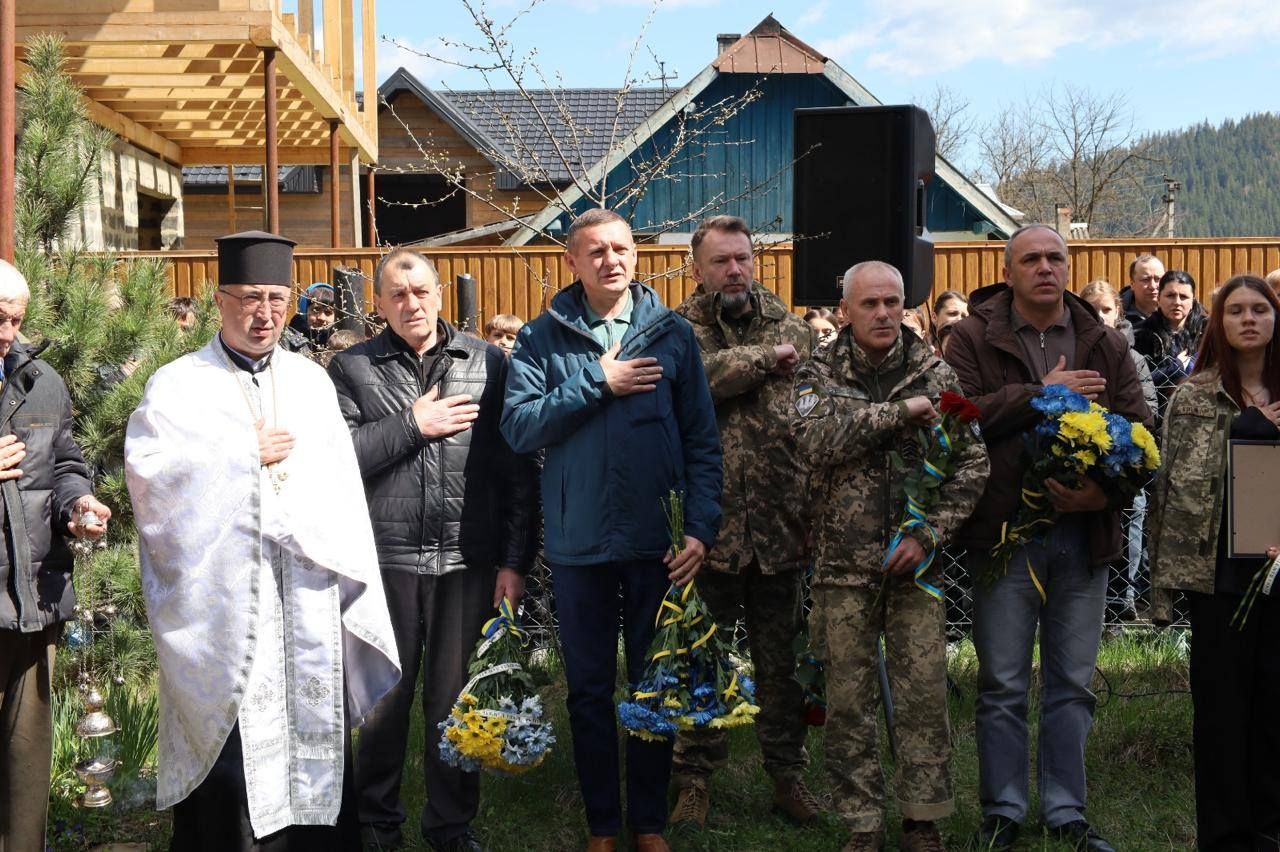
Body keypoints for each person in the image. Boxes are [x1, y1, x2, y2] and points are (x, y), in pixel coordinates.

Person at [124, 231, 401, 852]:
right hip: (226, 604)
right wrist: (238, 455)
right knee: (235, 763)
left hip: (304, 592)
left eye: (278, 298)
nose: (266, 313)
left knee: (315, 736)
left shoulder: (310, 382)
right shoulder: (178, 385)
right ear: (221, 300)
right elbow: (149, 477)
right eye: (250, 298)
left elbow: (339, 489)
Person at [501, 208, 722, 852]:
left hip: (659, 545)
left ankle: (648, 822)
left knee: (653, 684)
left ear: (637, 255)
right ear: (572, 261)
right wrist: (598, 380)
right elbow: (520, 427)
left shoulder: (671, 335)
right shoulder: (542, 338)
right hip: (578, 546)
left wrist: (700, 530)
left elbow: (703, 444)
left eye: (621, 248)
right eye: (594, 250)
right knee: (591, 689)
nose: (610, 260)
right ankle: (603, 823)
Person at [945, 224, 1150, 852]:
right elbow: (958, 415)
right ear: (1008, 271)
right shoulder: (972, 336)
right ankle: (1002, 811)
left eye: (1054, 257)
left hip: (1083, 538)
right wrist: (1041, 395)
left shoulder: (1104, 342)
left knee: (1072, 682)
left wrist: (1102, 495)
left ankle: (1066, 811)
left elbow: (1142, 434)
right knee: (1003, 681)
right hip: (1004, 537)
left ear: (1068, 266)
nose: (1044, 267)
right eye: (1030, 258)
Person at [330, 249, 539, 852]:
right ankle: (375, 823)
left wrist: (513, 561)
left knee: (454, 703)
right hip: (384, 561)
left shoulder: (488, 363)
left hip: (466, 561)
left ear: (440, 293)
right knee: (382, 702)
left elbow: (515, 471)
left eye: (420, 291)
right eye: (397, 294)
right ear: (379, 302)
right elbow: (337, 458)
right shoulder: (351, 368)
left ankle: (451, 826)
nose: (410, 303)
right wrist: (411, 425)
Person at [792, 260, 988, 852]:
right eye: (870, 304)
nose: (883, 314)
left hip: (914, 570)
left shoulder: (936, 369)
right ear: (845, 310)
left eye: (892, 302)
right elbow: (813, 441)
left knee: (923, 696)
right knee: (849, 701)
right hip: (840, 570)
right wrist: (898, 414)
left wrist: (928, 534)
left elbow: (971, 464)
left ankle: (921, 820)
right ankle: (862, 822)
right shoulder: (815, 372)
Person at [667, 215, 818, 830]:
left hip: (782, 529)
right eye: (721, 261)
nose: (734, 270)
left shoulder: (795, 330)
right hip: (710, 531)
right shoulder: (678, 331)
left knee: (781, 664)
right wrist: (760, 360)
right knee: (702, 658)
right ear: (698, 269)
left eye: (743, 259)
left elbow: (818, 414)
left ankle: (787, 777)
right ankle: (694, 779)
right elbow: (692, 389)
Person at [1149, 274, 1280, 852]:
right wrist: (1251, 431)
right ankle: (1227, 839)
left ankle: (1272, 830)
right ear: (1219, 324)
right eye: (1236, 311)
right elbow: (1172, 489)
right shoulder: (1193, 396)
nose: (1249, 319)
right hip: (1218, 579)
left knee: (1277, 713)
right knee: (1223, 717)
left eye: (1260, 309)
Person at [0, 260, 112, 851]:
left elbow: (64, 461)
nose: (8, 332)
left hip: (30, 595)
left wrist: (78, 504)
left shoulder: (42, 379)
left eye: (16, 319)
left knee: (25, 766)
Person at [1079, 279, 1158, 621]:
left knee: (1131, 523)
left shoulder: (1132, 356)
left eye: (1106, 309)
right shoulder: (1073, 351)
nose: (1099, 316)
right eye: (1091, 309)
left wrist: (1112, 431)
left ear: (1118, 313)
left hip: (1120, 458)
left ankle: (1120, 602)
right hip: (1078, 459)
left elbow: (1147, 409)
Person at [1134, 270, 1207, 425]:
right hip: (1158, 416)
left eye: (1184, 297)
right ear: (1159, 299)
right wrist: (1175, 368)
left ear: (1193, 301)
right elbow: (1138, 382)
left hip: (1202, 413)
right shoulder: (1142, 335)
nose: (1177, 302)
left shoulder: (1207, 334)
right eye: (1170, 296)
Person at [1121, 254, 1165, 327]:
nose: (1152, 286)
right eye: (1146, 280)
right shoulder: (1117, 315)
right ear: (1132, 284)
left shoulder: (1176, 311)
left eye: (1158, 279)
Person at [288, 282, 337, 348]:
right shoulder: (289, 341)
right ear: (304, 310)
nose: (321, 318)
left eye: (328, 312)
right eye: (316, 310)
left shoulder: (341, 343)